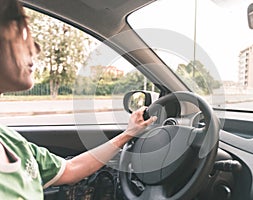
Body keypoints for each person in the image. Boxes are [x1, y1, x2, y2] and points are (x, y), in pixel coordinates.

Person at [0, 0, 157, 199]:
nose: (36, 48)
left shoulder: (10, 141)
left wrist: (128, 133)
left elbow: (70, 169)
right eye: (21, 33)